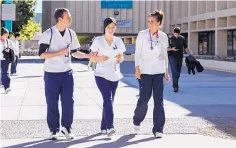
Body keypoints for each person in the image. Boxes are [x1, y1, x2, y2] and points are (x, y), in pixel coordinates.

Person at [38, 8, 90, 140]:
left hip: (67, 73)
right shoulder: (48, 33)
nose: (70, 19)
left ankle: (67, 128)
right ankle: (53, 130)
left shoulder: (71, 34)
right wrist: (59, 53)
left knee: (68, 101)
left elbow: (74, 52)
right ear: (60, 19)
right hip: (51, 73)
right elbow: (41, 54)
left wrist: (89, 56)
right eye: (68, 17)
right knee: (52, 102)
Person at [133, 10, 170, 138]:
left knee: (158, 100)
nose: (150, 24)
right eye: (148, 21)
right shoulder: (142, 34)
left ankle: (158, 128)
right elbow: (137, 53)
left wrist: (166, 71)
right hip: (145, 72)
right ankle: (137, 120)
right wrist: (137, 68)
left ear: (158, 23)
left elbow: (165, 55)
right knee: (144, 100)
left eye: (152, 22)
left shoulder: (164, 36)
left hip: (159, 72)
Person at [89, 17, 126, 137]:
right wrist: (101, 58)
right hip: (101, 74)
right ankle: (110, 126)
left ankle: (103, 126)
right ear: (104, 28)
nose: (111, 29)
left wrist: (120, 59)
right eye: (109, 27)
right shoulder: (98, 41)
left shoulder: (119, 41)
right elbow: (92, 58)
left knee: (109, 101)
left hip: (114, 74)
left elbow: (121, 57)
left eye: (113, 27)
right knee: (108, 99)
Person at [168, 27, 190, 92]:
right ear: (173, 33)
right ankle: (175, 86)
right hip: (172, 57)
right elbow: (165, 48)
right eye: (175, 34)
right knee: (174, 71)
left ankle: (175, 84)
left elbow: (185, 47)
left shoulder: (182, 38)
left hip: (180, 57)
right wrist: (172, 49)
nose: (176, 35)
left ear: (179, 33)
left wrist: (190, 55)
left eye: (177, 34)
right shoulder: (170, 39)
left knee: (178, 72)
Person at [1, 27, 15, 93]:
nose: (7, 36)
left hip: (5, 59)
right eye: (6, 34)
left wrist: (8, 50)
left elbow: (12, 49)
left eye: (7, 35)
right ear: (2, 34)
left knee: (5, 73)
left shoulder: (8, 41)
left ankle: (7, 87)